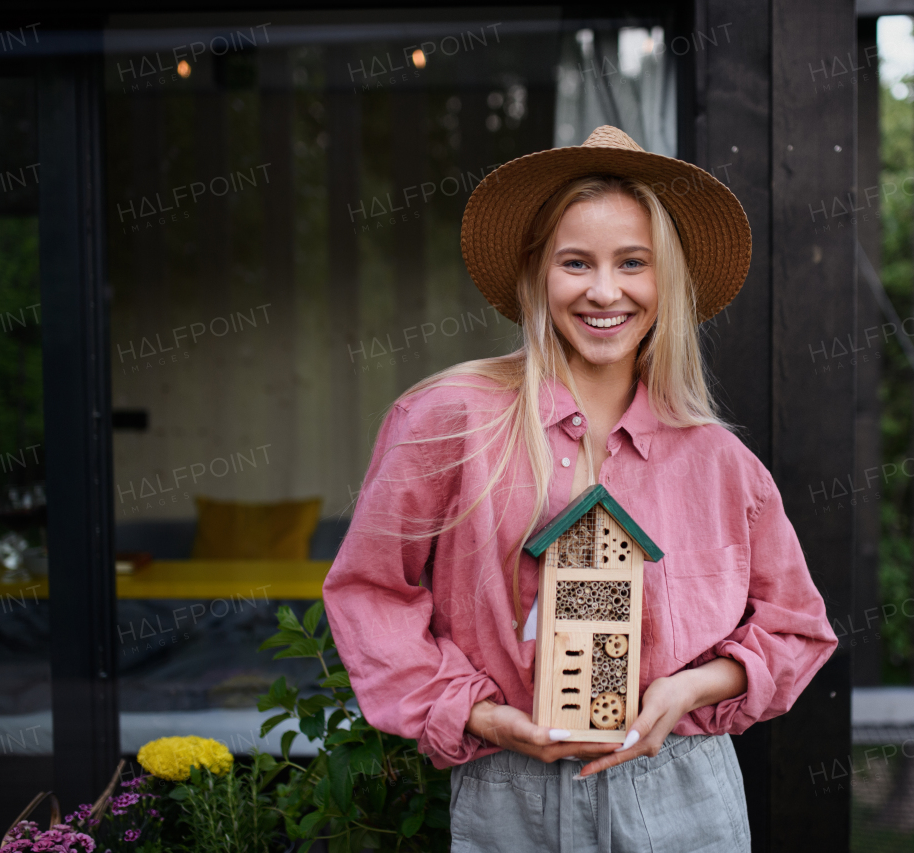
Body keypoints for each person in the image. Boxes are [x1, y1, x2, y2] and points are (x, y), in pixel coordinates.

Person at [322, 126, 837, 852]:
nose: (604, 290)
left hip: (681, 788)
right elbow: (369, 591)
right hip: (508, 789)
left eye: (634, 262)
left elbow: (795, 627)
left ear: (669, 281)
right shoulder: (446, 421)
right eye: (576, 262)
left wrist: (685, 690)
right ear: (537, 274)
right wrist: (476, 714)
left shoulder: (720, 462)